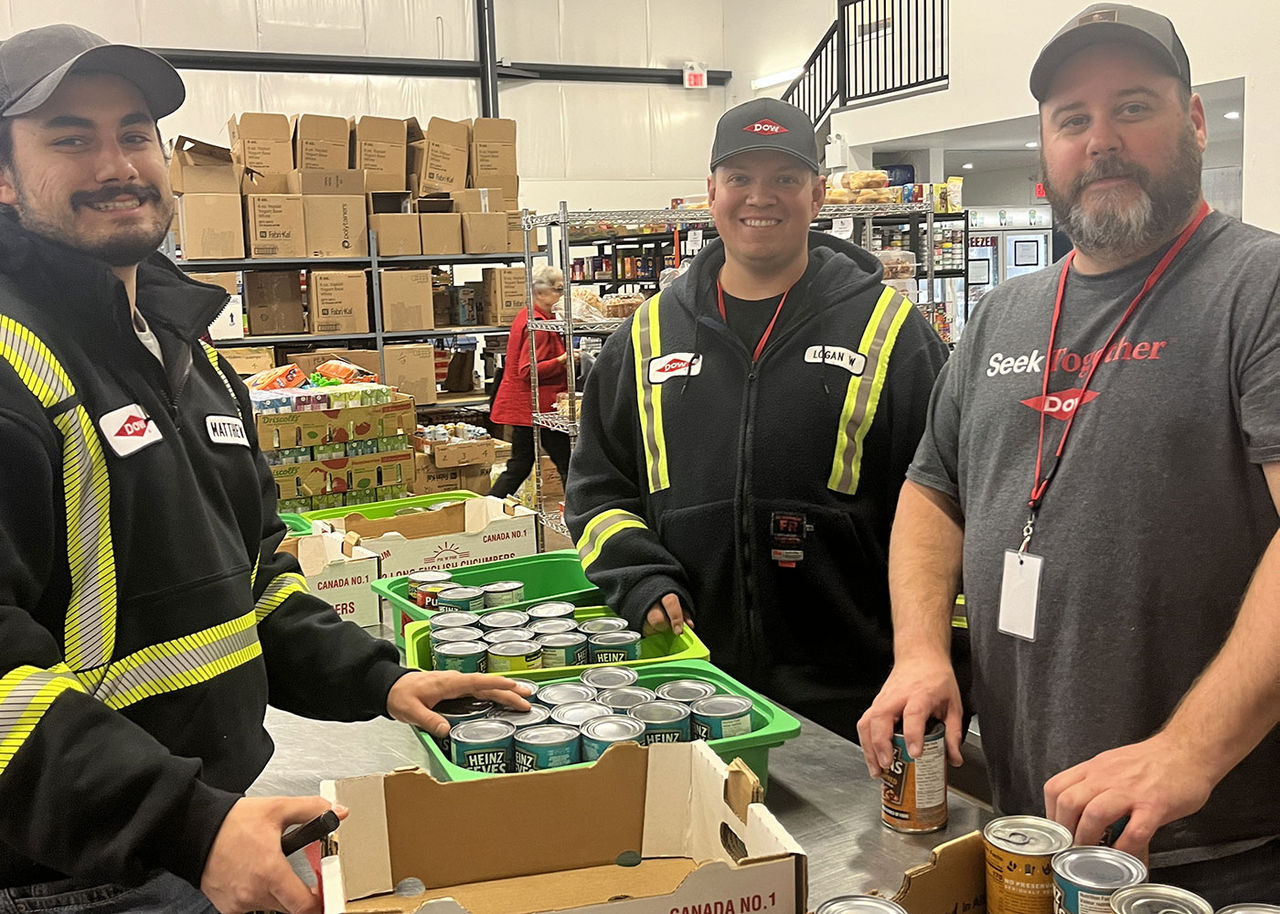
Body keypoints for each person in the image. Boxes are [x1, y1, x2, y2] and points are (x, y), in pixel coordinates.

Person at [0, 24, 529, 914]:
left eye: (135, 133)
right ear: (4, 178)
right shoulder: (15, 370)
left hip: (208, 826)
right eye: (69, 138)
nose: (117, 164)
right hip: (81, 870)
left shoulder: (183, 352)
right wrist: (185, 825)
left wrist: (379, 677)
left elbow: (255, 577)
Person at [857, 4, 1280, 902]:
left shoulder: (1259, 290)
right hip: (1029, 826)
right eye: (1072, 119)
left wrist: (1188, 749)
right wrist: (921, 652)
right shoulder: (1005, 316)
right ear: (1047, 143)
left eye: (1134, 107)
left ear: (1195, 121)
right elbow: (932, 494)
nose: (1102, 141)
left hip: (1221, 843)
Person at [565, 98, 948, 739]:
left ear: (818, 194)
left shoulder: (891, 332)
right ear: (711, 191)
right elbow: (597, 485)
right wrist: (636, 572)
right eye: (740, 178)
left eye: (784, 179)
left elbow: (945, 497)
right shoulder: (645, 335)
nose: (759, 198)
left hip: (856, 691)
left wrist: (936, 650)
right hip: (686, 681)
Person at [489, 263, 573, 499]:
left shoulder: (532, 316)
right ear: (539, 292)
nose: (561, 295)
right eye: (557, 289)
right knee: (568, 463)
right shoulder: (538, 324)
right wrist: (561, 360)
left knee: (520, 464)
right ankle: (578, 516)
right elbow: (527, 370)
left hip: (528, 407)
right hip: (539, 408)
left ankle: (489, 508)